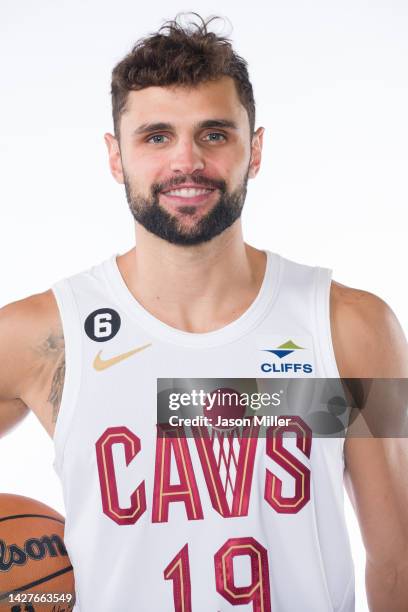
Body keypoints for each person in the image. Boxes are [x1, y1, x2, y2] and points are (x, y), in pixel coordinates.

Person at [1, 12, 407, 612]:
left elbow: (398, 557)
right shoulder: (43, 335)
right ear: (116, 157)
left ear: (256, 148)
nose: (185, 162)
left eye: (214, 134)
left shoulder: (350, 326)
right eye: (156, 136)